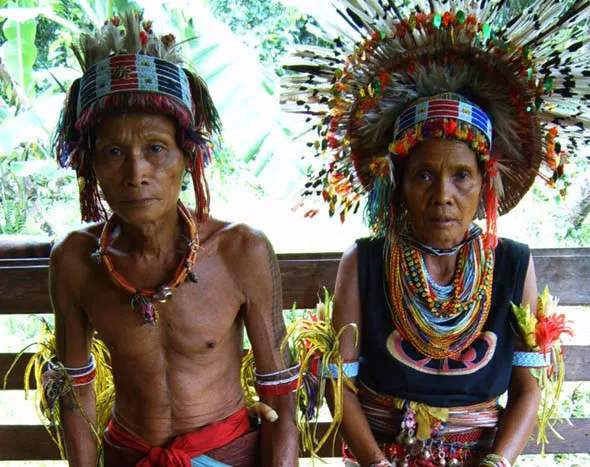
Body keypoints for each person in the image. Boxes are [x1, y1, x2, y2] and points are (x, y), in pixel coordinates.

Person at [281, 1, 587, 466]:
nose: (443, 195)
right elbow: (336, 382)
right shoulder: (363, 262)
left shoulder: (511, 264)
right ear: (399, 186)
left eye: (461, 175)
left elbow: (528, 387)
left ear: (484, 183)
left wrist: (496, 462)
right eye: (423, 175)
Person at [46, 11, 298, 467]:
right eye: (113, 153)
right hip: (130, 456)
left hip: (227, 455)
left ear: (189, 158)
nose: (136, 173)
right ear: (92, 169)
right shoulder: (75, 262)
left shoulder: (242, 251)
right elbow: (75, 392)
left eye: (156, 149)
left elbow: (280, 392)